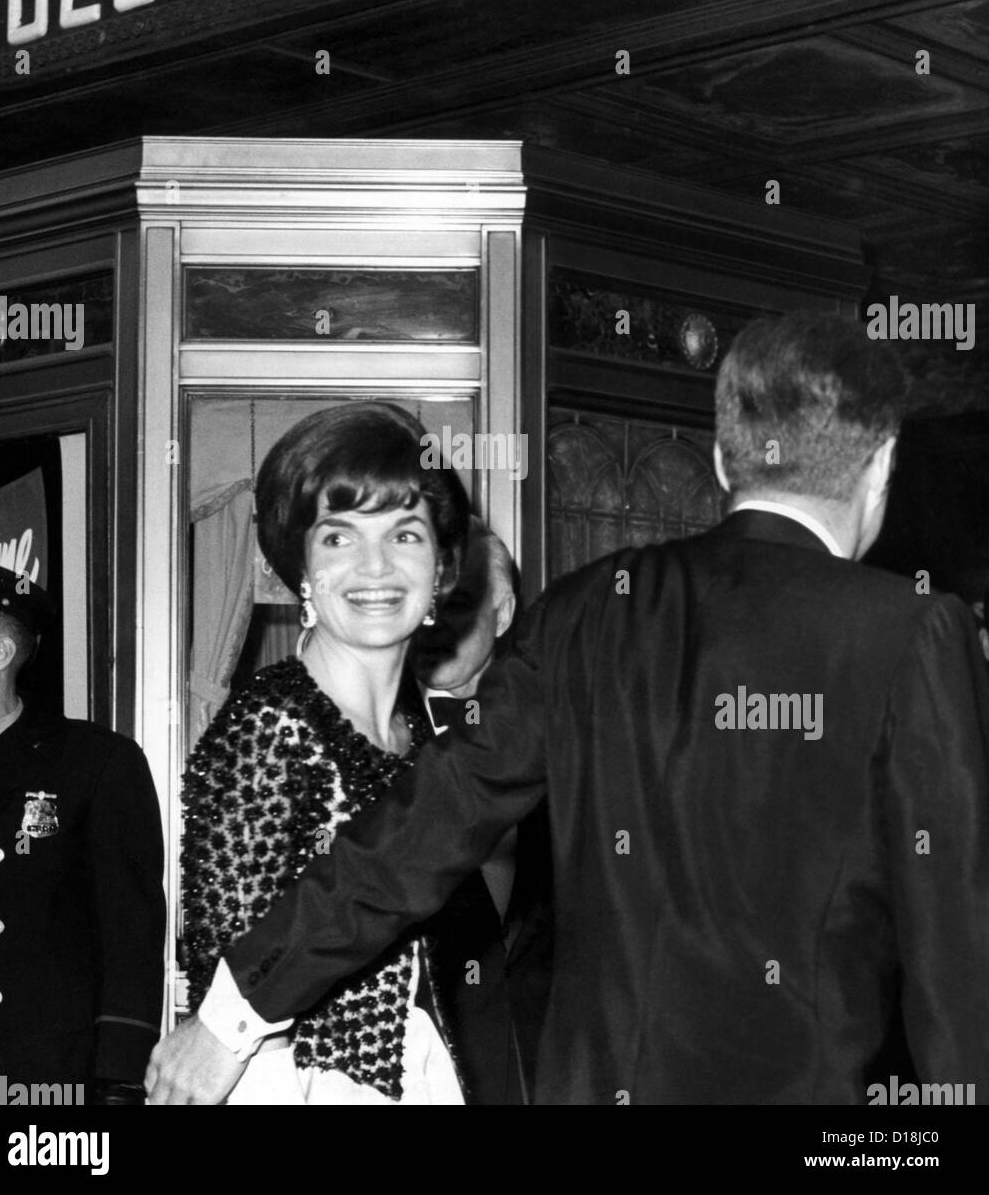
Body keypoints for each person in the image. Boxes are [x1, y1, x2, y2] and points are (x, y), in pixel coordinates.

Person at [148, 312, 989, 1106]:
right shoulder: (912, 629)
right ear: (879, 462)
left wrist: (230, 1017)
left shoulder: (588, 609)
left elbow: (423, 825)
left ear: (725, 463)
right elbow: (959, 951)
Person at [178, 401, 472, 1104]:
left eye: (405, 533)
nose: (375, 566)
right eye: (338, 538)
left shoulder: (424, 734)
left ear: (439, 568)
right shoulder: (270, 728)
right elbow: (228, 968)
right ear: (299, 570)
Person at [0, 555, 165, 1107]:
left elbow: (131, 931)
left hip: (38, 1074)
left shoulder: (94, 762)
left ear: (0, 653)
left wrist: (119, 1079)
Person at [412, 519, 529, 1104]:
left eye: (460, 601)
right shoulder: (371, 734)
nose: (435, 622)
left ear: (502, 614)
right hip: (422, 1069)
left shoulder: (564, 736)